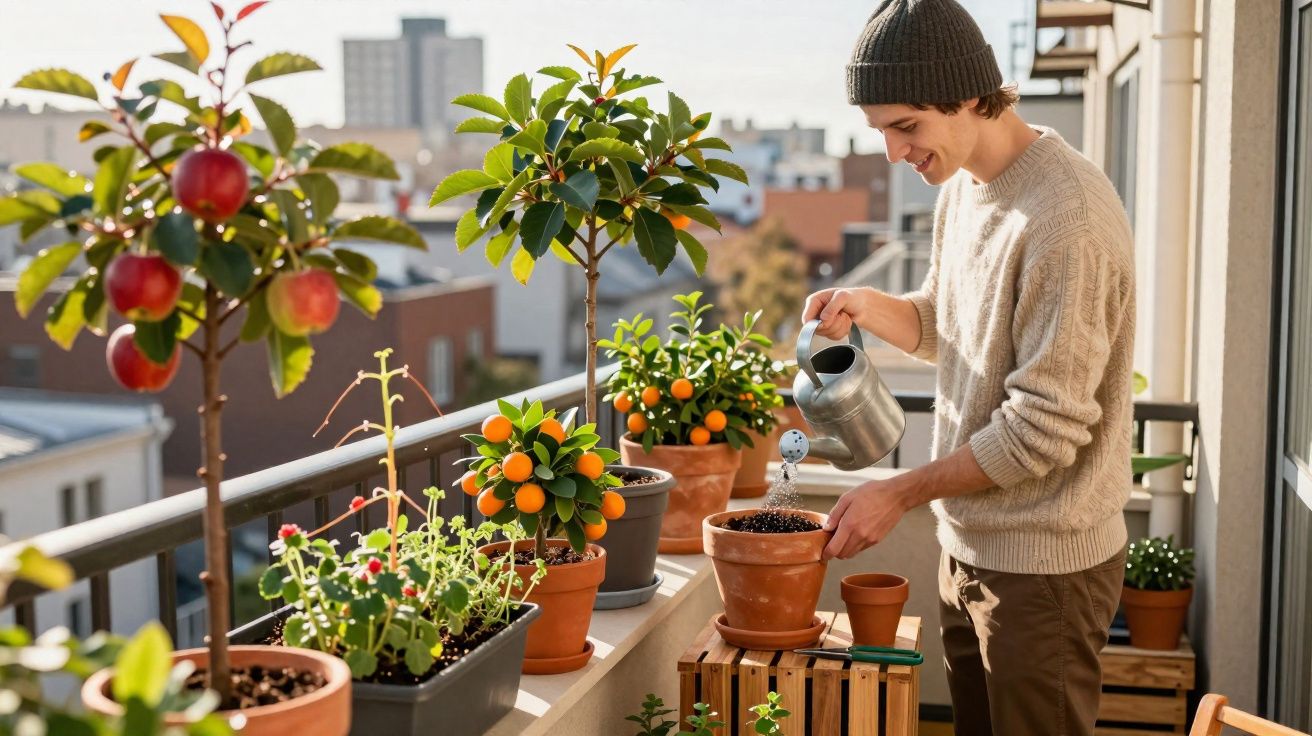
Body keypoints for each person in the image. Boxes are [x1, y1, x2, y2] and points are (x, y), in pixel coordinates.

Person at [803, 1, 1136, 734]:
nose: (893, 152)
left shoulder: (1066, 220)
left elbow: (1041, 432)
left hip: (1042, 572)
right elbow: (951, 327)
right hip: (971, 551)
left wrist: (899, 492)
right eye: (881, 130)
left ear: (964, 97)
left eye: (906, 126)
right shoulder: (965, 187)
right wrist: (866, 305)